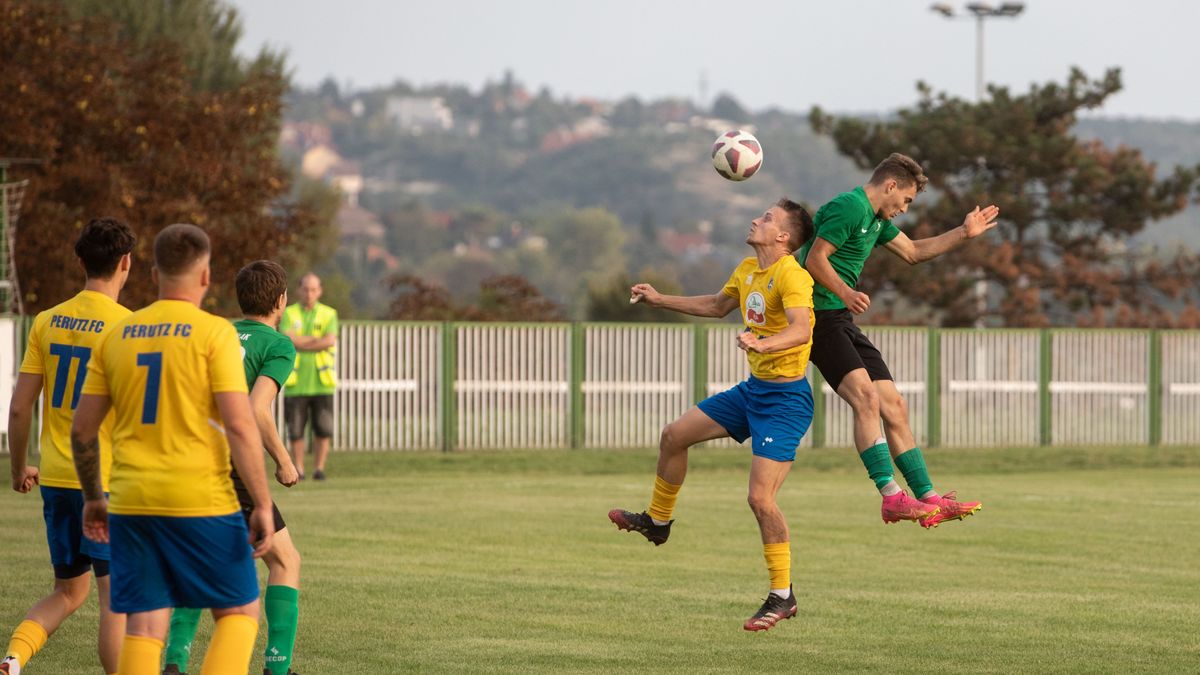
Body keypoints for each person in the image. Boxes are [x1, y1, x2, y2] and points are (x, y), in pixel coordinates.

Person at [70, 223, 274, 675]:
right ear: (205, 277)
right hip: (200, 500)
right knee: (239, 612)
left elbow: (82, 431)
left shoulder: (118, 335)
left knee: (144, 628)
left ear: (153, 270)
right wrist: (261, 502)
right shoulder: (215, 334)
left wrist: (92, 499)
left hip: (131, 501)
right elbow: (241, 426)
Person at [609, 198, 817, 633]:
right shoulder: (747, 269)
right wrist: (659, 299)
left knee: (760, 500)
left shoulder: (792, 275)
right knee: (673, 435)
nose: (756, 218)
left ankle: (782, 596)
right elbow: (717, 305)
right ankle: (657, 522)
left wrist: (764, 344)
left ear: (783, 237)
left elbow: (801, 329)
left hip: (785, 402)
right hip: (751, 393)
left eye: (767, 218)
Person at [798, 153, 997, 527]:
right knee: (866, 397)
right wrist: (844, 292)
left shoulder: (874, 219)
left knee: (895, 404)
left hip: (839, 317)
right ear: (890, 185)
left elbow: (913, 252)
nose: (905, 209)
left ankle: (930, 499)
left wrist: (963, 233)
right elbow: (815, 259)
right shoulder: (851, 207)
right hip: (815, 317)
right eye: (905, 200)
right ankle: (891, 496)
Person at [1, 218, 135, 675]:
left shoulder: (46, 321)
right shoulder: (129, 328)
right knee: (114, 600)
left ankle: (13, 658)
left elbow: (20, 409)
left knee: (67, 591)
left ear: (80, 261)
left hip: (56, 479)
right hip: (106, 485)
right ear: (126, 263)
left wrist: (19, 468)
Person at [163, 260, 302, 675]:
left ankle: (174, 662)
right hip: (234, 465)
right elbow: (257, 410)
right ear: (281, 300)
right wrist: (284, 460)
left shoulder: (216, 331)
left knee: (199, 559)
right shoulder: (277, 344)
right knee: (285, 561)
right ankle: (277, 669)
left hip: (191, 459)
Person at [281, 272, 338, 481]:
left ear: (320, 291)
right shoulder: (289, 313)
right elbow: (288, 339)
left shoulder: (329, 313)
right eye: (305, 289)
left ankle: (319, 469)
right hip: (296, 383)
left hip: (322, 383)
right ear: (299, 290)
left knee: (323, 429)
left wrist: (302, 341)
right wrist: (315, 340)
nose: (309, 293)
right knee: (295, 430)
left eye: (313, 289)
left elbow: (329, 341)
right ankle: (299, 468)